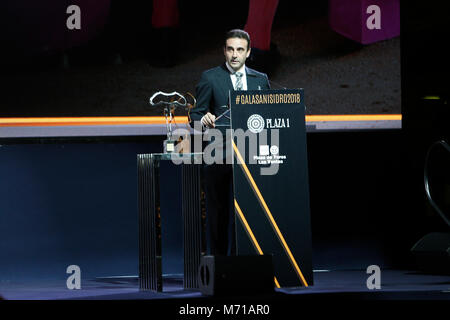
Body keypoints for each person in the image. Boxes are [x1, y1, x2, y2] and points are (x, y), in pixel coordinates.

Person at [189, 29, 271, 256]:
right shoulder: (210, 78)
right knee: (218, 214)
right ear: (224, 51)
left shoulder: (260, 80)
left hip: (251, 157)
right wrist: (203, 119)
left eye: (240, 50)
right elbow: (195, 116)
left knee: (246, 214)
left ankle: (243, 265)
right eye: (230, 49)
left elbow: (269, 117)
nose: (235, 55)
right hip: (218, 156)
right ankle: (217, 267)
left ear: (248, 53)